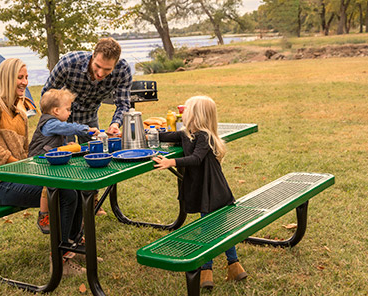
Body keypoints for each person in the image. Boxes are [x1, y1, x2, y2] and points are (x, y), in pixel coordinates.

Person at [0, 58, 85, 275]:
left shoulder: (21, 111)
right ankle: (60, 260)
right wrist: (17, 165)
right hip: (0, 183)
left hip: (22, 176)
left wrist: (36, 165)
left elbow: (26, 152)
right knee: (64, 193)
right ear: (7, 78)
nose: (24, 82)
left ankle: (73, 245)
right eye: (20, 77)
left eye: (26, 77)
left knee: (77, 187)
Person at [152, 96, 248, 290]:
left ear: (196, 115)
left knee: (209, 229)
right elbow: (164, 137)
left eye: (186, 110)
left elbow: (196, 159)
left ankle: (206, 271)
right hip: (204, 187)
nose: (183, 113)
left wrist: (171, 162)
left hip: (212, 189)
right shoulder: (187, 133)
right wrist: (151, 133)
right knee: (219, 228)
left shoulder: (204, 136)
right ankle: (234, 266)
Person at [41, 37, 132, 215]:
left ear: (115, 64)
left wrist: (115, 124)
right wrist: (57, 122)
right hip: (62, 119)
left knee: (95, 157)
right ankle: (65, 207)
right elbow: (46, 95)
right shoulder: (68, 63)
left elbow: (123, 104)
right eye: (97, 66)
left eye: (107, 69)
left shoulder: (123, 70)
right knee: (66, 161)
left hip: (89, 117)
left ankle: (91, 201)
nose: (100, 73)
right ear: (92, 56)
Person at [27, 89, 99, 234]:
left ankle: (75, 232)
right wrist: (86, 129)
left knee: (74, 187)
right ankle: (44, 215)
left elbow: (55, 143)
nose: (70, 113)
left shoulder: (55, 122)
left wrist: (65, 147)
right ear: (56, 110)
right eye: (67, 109)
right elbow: (67, 128)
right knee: (48, 187)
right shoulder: (50, 123)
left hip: (50, 161)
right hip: (39, 162)